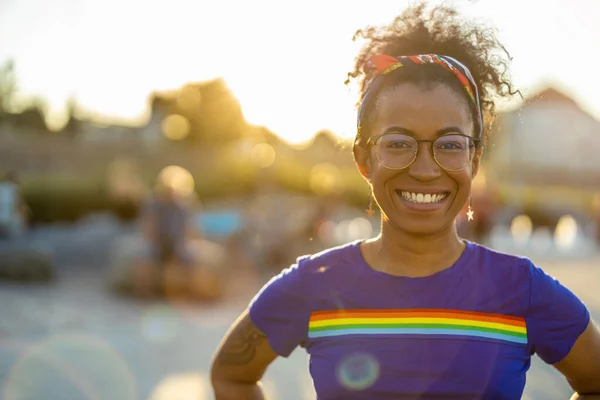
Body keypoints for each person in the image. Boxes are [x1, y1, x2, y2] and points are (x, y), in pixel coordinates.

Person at [210, 3, 600, 399]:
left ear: (474, 159)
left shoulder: (521, 289)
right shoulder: (316, 284)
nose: (426, 169)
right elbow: (232, 376)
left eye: (450, 144)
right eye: (398, 143)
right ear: (363, 158)